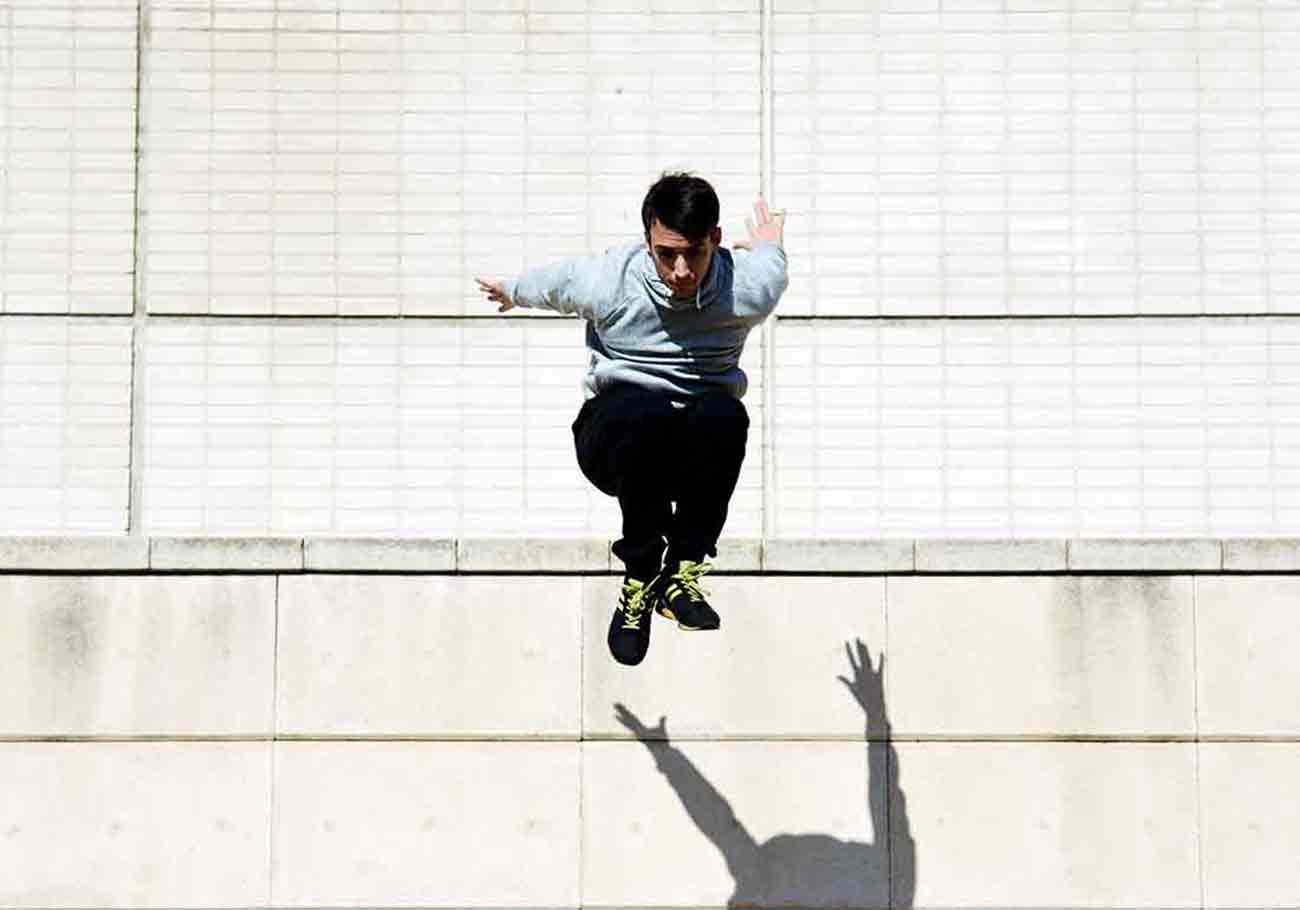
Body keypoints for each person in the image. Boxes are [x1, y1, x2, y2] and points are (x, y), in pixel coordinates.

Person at [475, 172, 788, 665]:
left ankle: (680, 573)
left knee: (725, 413)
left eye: (694, 254)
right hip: (613, 440)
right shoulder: (610, 280)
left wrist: (769, 243)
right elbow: (555, 284)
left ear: (715, 239)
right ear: (647, 241)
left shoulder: (749, 287)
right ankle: (640, 574)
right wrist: (513, 291)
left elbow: (771, 263)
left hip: (689, 453)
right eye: (666, 255)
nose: (680, 272)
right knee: (642, 409)